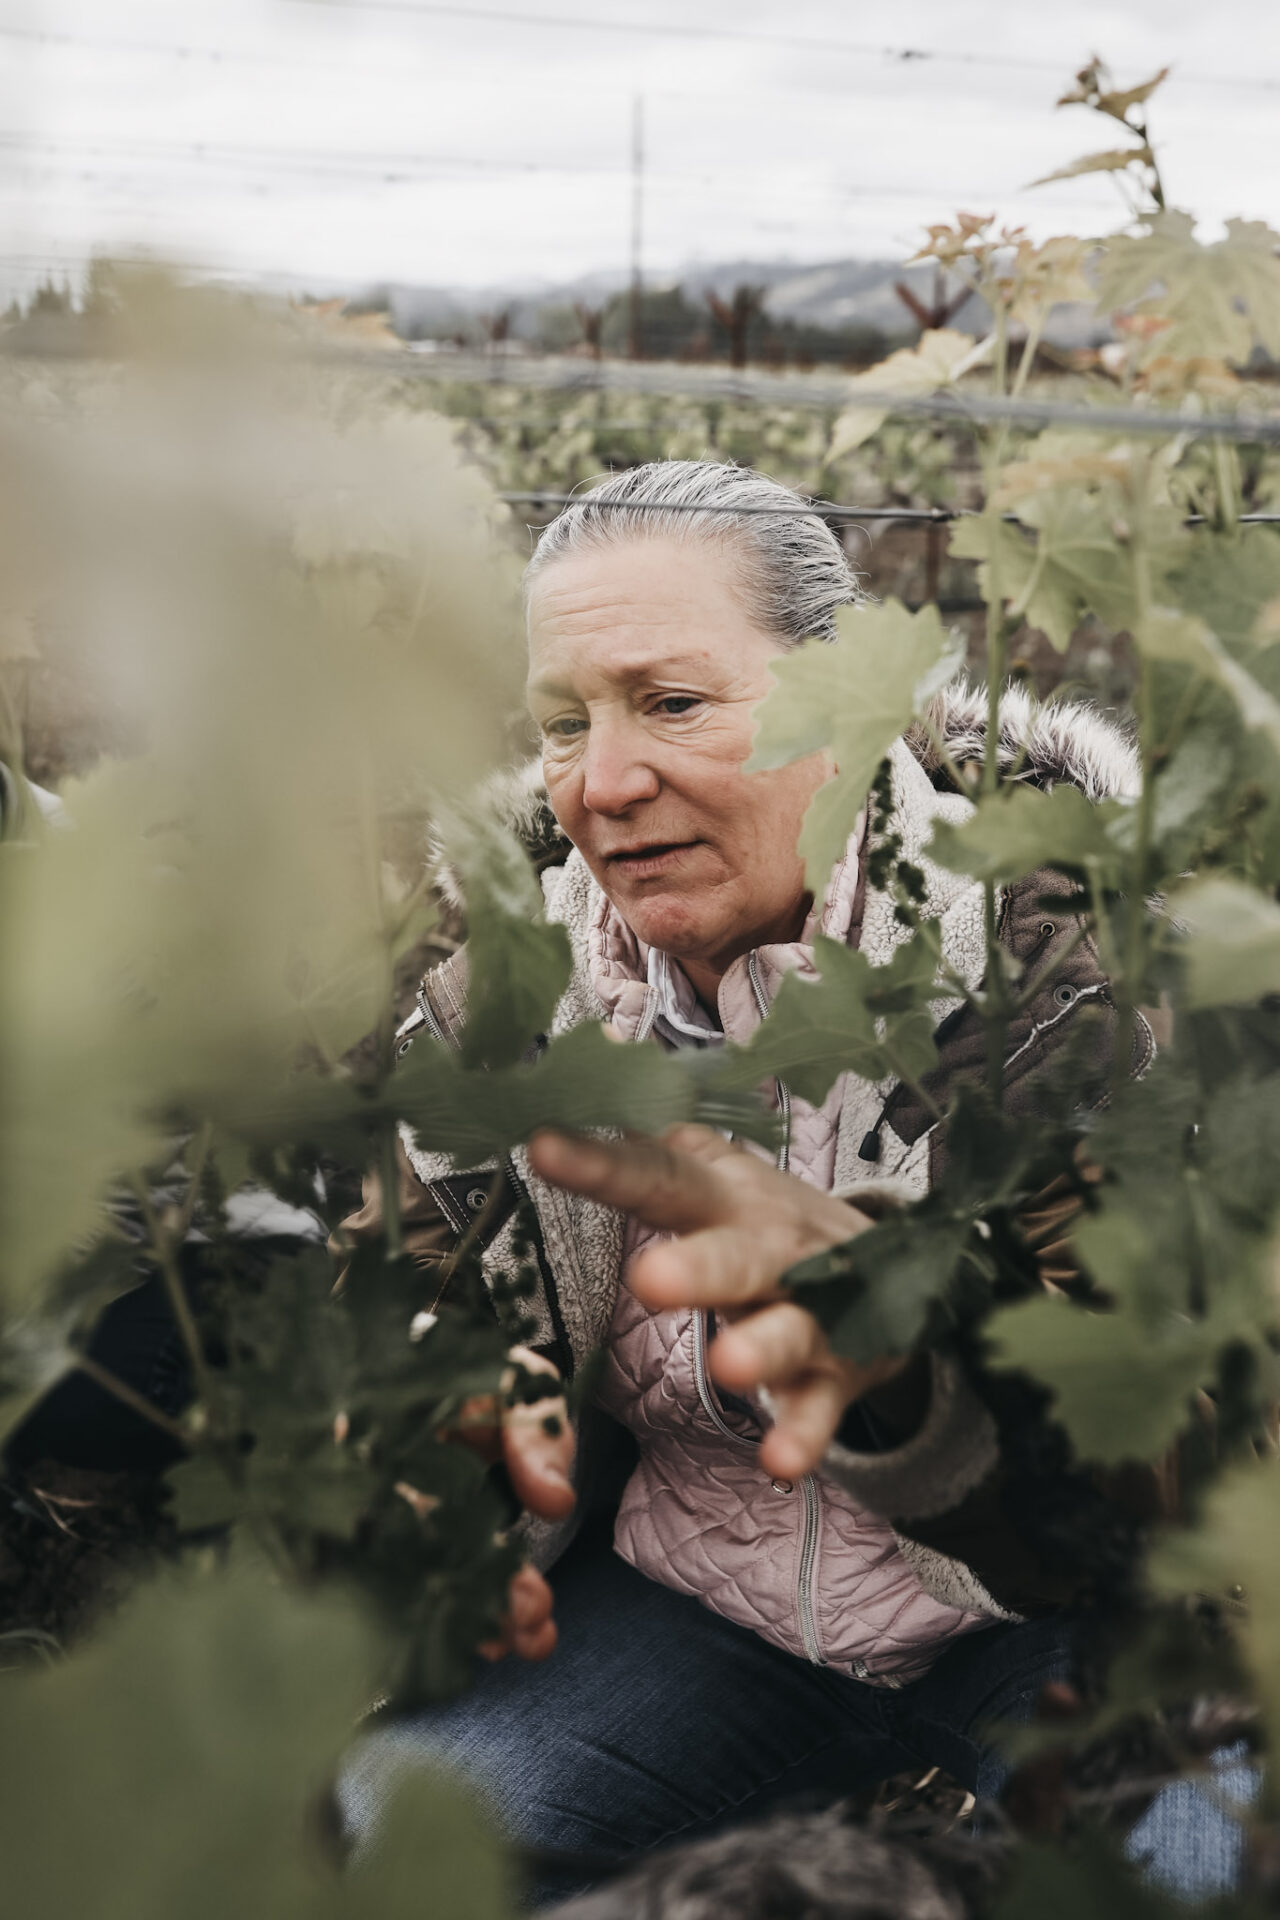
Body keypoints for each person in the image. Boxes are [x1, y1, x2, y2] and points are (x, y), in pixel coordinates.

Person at [337, 460, 1221, 1905]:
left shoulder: (1054, 967)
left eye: (673, 702)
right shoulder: (492, 1003)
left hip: (1056, 1613)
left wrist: (906, 1370)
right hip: (697, 1597)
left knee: (1193, 1873)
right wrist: (433, 1469)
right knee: (396, 1832)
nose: (605, 783)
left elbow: (1165, 1463)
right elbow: (412, 1331)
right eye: (566, 723)